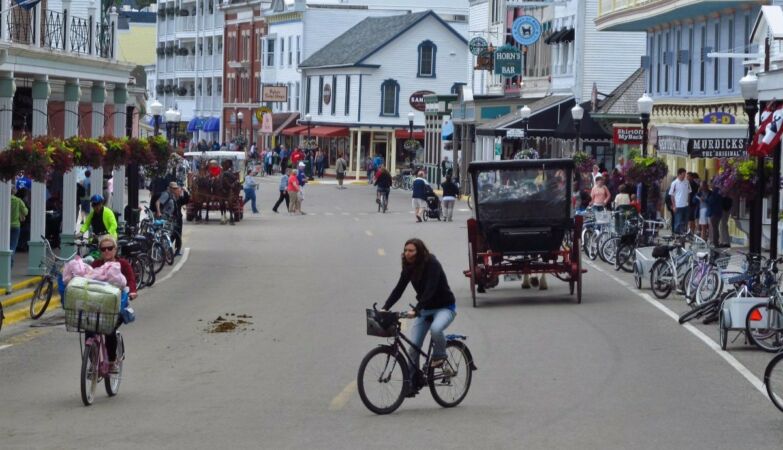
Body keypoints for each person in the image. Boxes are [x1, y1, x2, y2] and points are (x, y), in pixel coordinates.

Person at [382, 239, 456, 376]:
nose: (407, 254)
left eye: (411, 251)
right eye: (405, 250)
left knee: (436, 329)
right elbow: (399, 289)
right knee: (413, 348)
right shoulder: (408, 267)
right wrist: (385, 307)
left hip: (444, 307)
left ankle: (440, 356)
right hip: (425, 309)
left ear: (420, 252)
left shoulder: (432, 263)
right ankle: (412, 381)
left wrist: (416, 310)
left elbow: (430, 289)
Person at [90, 235, 137, 372]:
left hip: (117, 307)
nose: (106, 251)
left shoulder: (123, 264)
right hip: (97, 305)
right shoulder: (96, 265)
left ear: (115, 249)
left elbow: (131, 280)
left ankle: (112, 362)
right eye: (103, 249)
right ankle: (93, 360)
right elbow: (87, 277)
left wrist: (132, 291)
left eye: (110, 248)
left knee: (108, 329)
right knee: (88, 328)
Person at [668, 168, 691, 234]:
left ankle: (683, 237)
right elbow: (671, 195)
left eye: (685, 174)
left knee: (685, 222)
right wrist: (674, 206)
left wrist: (688, 203)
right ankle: (677, 237)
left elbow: (689, 193)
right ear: (679, 174)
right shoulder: (674, 183)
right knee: (678, 222)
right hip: (678, 206)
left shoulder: (687, 182)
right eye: (683, 174)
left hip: (685, 206)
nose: (684, 176)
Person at [9, 187, 28, 267]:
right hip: (15, 225)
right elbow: (25, 212)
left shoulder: (3, 199)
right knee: (13, 245)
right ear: (15, 191)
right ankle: (9, 263)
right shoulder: (18, 200)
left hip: (4, 226)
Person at [707, 182, 724, 247]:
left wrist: (706, 199)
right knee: (716, 227)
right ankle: (716, 242)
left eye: (711, 183)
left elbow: (711, 201)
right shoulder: (719, 192)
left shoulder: (715, 192)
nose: (710, 185)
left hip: (714, 213)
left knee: (714, 228)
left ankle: (715, 242)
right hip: (718, 212)